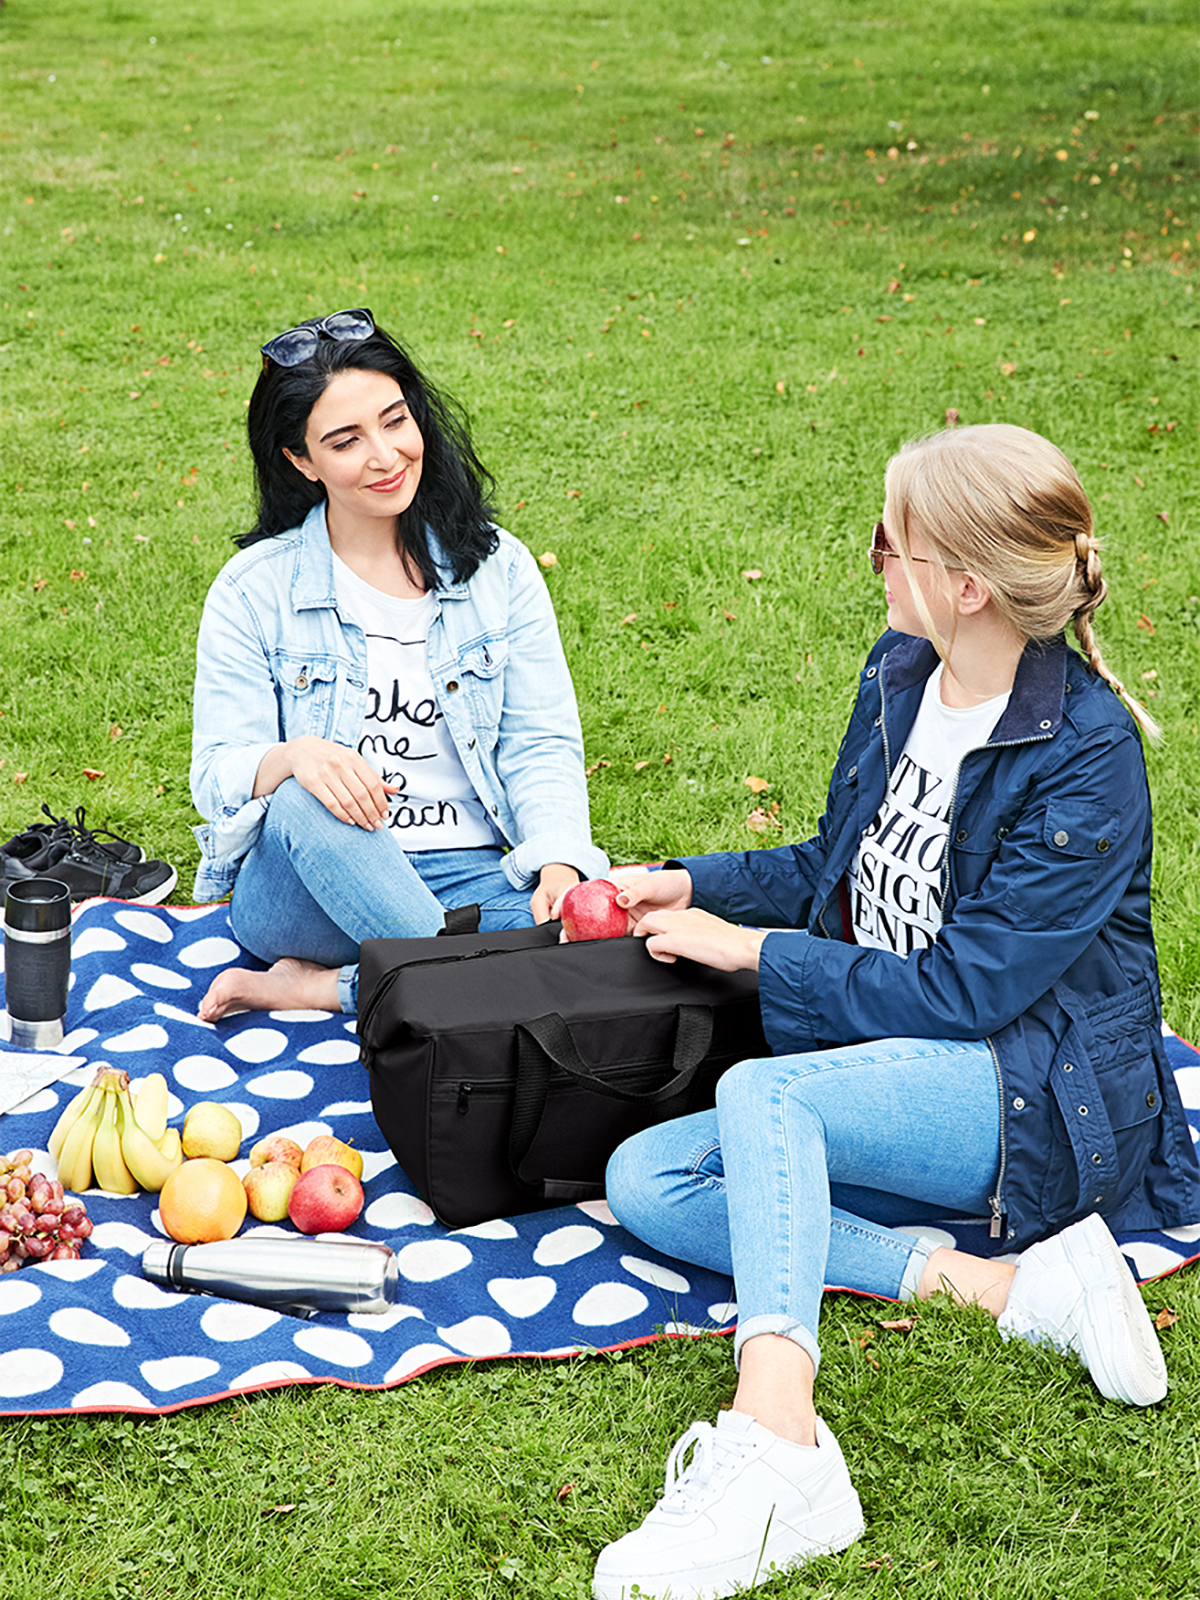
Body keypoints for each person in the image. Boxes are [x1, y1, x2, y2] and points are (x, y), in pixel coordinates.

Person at [584, 424, 1200, 1600]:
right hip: (900, 1067)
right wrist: (696, 881)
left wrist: (755, 954)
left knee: (763, 1093)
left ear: (965, 582)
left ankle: (782, 1448)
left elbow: (969, 990)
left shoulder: (1088, 756)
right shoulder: (902, 674)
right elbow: (841, 861)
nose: (874, 561)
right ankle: (1009, 1288)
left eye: (890, 542)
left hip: (1035, 1094)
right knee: (650, 1179)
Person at [190, 308, 607, 1020]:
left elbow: (540, 744)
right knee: (302, 794)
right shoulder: (254, 590)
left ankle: (333, 989)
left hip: (471, 875)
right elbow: (217, 775)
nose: (384, 456)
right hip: (309, 889)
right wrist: (294, 758)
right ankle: (461, 982)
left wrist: (558, 861)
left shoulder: (498, 568)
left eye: (395, 421)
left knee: (599, 939)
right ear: (300, 460)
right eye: (345, 441)